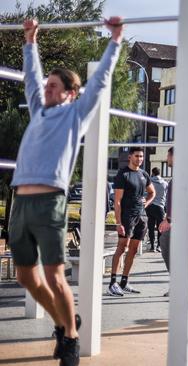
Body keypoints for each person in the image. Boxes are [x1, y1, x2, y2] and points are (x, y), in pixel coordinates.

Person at [8, 17, 123, 365]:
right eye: (48, 85)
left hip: (48, 202)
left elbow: (100, 82)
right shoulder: (39, 110)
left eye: (55, 86)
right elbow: (31, 76)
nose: (48, 89)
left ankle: (70, 340)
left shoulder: (75, 114)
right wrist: (30, 41)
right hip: (20, 202)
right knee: (26, 275)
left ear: (71, 93)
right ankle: (66, 322)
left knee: (56, 277)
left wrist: (115, 40)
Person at [108, 147, 155, 296]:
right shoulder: (123, 175)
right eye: (136, 156)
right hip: (127, 216)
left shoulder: (144, 174)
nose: (139, 159)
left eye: (141, 156)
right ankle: (112, 283)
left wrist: (145, 203)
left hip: (141, 216)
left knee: (133, 250)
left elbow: (152, 192)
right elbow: (117, 202)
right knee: (122, 247)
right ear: (130, 157)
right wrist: (118, 222)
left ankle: (124, 281)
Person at [158, 147, 173, 296]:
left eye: (168, 155)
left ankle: (177, 284)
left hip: (177, 223)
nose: (167, 159)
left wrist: (169, 220)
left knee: (165, 242)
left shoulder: (180, 177)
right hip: (174, 220)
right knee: (165, 242)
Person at [145, 167, 167, 252]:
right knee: (160, 227)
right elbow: (166, 195)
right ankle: (159, 246)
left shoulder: (149, 182)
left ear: (152, 173)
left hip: (150, 206)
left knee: (151, 226)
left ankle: (152, 246)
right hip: (160, 207)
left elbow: (145, 193)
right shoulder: (165, 183)